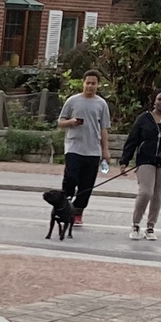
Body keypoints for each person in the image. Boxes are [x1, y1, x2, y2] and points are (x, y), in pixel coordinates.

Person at [120, 89, 161, 237]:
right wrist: (124, 161)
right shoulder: (144, 118)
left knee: (157, 195)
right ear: (154, 101)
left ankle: (150, 227)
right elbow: (132, 140)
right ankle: (135, 224)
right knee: (145, 192)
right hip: (145, 160)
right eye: (159, 99)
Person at [54, 70, 110, 229]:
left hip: (93, 150)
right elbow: (60, 122)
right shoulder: (73, 101)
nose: (90, 86)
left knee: (87, 184)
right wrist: (71, 121)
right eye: (88, 83)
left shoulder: (101, 104)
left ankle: (78, 212)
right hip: (74, 147)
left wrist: (105, 150)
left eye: (94, 83)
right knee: (70, 178)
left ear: (98, 85)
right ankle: (65, 206)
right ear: (83, 83)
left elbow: (104, 128)